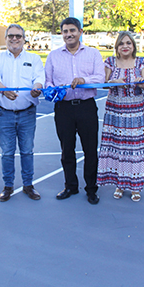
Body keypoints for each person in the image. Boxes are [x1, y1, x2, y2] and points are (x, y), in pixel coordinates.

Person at [45, 17, 105, 205]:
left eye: (72, 30)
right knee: (66, 150)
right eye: (65, 31)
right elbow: (48, 81)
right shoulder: (53, 56)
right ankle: (71, 185)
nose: (68, 34)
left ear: (80, 32)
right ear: (61, 34)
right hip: (63, 109)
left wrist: (83, 80)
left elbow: (100, 78)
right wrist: (52, 90)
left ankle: (91, 189)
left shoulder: (93, 54)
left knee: (90, 151)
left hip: (86, 107)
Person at [0, 24, 45, 202]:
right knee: (7, 152)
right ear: (5, 38)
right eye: (11, 36)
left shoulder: (34, 58)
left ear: (23, 39)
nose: (14, 39)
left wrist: (37, 88)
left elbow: (39, 79)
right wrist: (4, 90)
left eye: (18, 36)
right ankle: (8, 186)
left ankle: (28, 185)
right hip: (4, 114)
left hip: (27, 114)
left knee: (27, 151)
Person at [97, 31, 144, 202]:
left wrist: (142, 83)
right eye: (121, 43)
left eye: (128, 43)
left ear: (133, 46)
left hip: (134, 112)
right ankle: (120, 184)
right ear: (117, 47)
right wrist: (111, 82)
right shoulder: (110, 62)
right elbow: (104, 84)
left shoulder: (141, 62)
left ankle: (135, 186)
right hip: (115, 111)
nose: (125, 46)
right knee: (118, 148)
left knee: (134, 150)